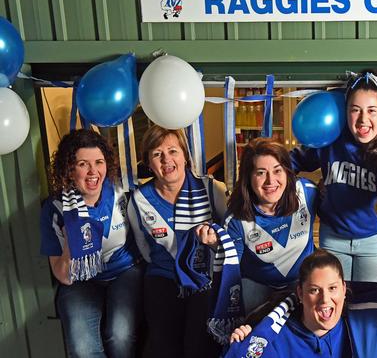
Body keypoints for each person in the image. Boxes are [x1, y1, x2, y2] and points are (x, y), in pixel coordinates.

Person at [291, 72, 377, 282]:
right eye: (355, 110)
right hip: (333, 235)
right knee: (333, 300)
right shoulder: (330, 140)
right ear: (345, 112)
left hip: (373, 240)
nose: (363, 119)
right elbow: (296, 160)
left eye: (372, 110)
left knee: (368, 301)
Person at [40, 129, 143, 358]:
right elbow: (63, 276)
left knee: (120, 334)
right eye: (83, 164)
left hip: (124, 271)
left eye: (99, 162)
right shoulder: (55, 208)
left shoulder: (120, 192)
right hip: (81, 279)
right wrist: (71, 243)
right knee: (82, 348)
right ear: (69, 169)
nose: (93, 171)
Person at [127, 125, 228, 358]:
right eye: (157, 154)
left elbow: (231, 236)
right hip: (162, 277)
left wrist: (214, 244)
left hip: (205, 278)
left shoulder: (212, 189)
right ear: (148, 163)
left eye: (173, 151)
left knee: (198, 346)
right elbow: (144, 248)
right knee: (164, 347)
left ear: (185, 155)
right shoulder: (139, 200)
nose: (166, 160)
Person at [225, 138, 319, 314]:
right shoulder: (236, 218)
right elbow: (229, 272)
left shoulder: (308, 192)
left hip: (301, 280)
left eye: (277, 170)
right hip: (257, 282)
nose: (270, 181)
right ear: (248, 177)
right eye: (261, 172)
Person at [226, 249, 350, 358]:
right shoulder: (271, 339)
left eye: (332, 288)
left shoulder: (356, 328)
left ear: (344, 289)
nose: (325, 299)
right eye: (314, 290)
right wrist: (240, 351)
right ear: (300, 293)